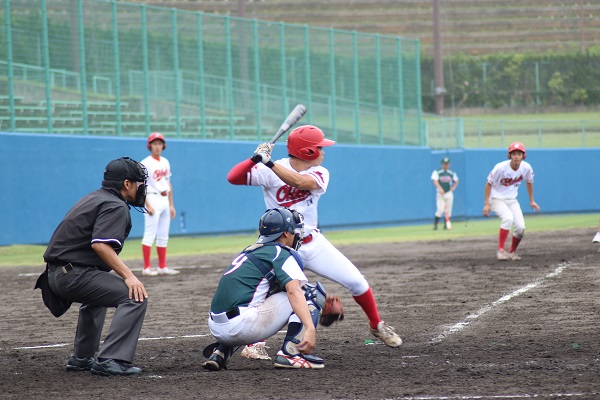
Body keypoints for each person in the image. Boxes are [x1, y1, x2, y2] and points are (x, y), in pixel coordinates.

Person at [227, 125, 402, 359]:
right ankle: (255, 344)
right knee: (272, 296)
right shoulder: (270, 168)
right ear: (307, 151)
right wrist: (253, 159)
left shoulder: (319, 172)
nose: (323, 151)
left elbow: (301, 183)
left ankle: (377, 325)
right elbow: (233, 177)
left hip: (312, 242)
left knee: (357, 282)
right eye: (319, 147)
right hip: (281, 248)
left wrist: (267, 162)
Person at [42, 157, 149, 376]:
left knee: (98, 293)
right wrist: (129, 276)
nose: (142, 188)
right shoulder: (115, 205)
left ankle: (82, 357)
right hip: (73, 275)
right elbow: (100, 245)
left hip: (55, 274)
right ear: (127, 184)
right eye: (139, 182)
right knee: (135, 296)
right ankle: (112, 359)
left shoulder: (93, 198)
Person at [202, 207, 327, 370]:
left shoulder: (249, 250)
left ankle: (220, 351)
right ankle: (291, 353)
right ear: (285, 234)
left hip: (216, 326)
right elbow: (294, 291)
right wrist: (310, 327)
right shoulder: (280, 253)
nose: (296, 235)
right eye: (293, 231)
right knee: (311, 293)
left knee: (254, 296)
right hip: (240, 326)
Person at [483, 142, 541, 261]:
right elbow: (488, 184)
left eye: (519, 154)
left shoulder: (526, 168)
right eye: (513, 154)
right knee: (508, 218)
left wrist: (532, 201)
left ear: (523, 156)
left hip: (512, 200)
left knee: (520, 228)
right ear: (509, 155)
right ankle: (501, 250)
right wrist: (486, 204)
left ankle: (512, 252)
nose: (516, 156)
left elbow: (529, 182)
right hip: (496, 198)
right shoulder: (500, 168)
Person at [141, 132, 179, 276]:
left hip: (164, 199)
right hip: (152, 198)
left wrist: (171, 204)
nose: (157, 146)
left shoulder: (165, 161)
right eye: (154, 143)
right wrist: (147, 204)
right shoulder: (145, 163)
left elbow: (168, 183)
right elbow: (141, 185)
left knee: (163, 235)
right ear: (150, 146)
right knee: (150, 234)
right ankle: (146, 267)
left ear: (163, 146)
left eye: (159, 143)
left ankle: (162, 266)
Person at [431, 156, 459, 230]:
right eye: (444, 164)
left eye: (447, 164)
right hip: (440, 193)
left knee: (449, 210)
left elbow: (456, 180)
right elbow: (434, 180)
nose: (445, 165)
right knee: (440, 209)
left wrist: (453, 188)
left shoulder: (451, 172)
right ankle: (435, 225)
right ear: (442, 164)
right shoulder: (437, 172)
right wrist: (440, 188)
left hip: (448, 193)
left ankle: (446, 225)